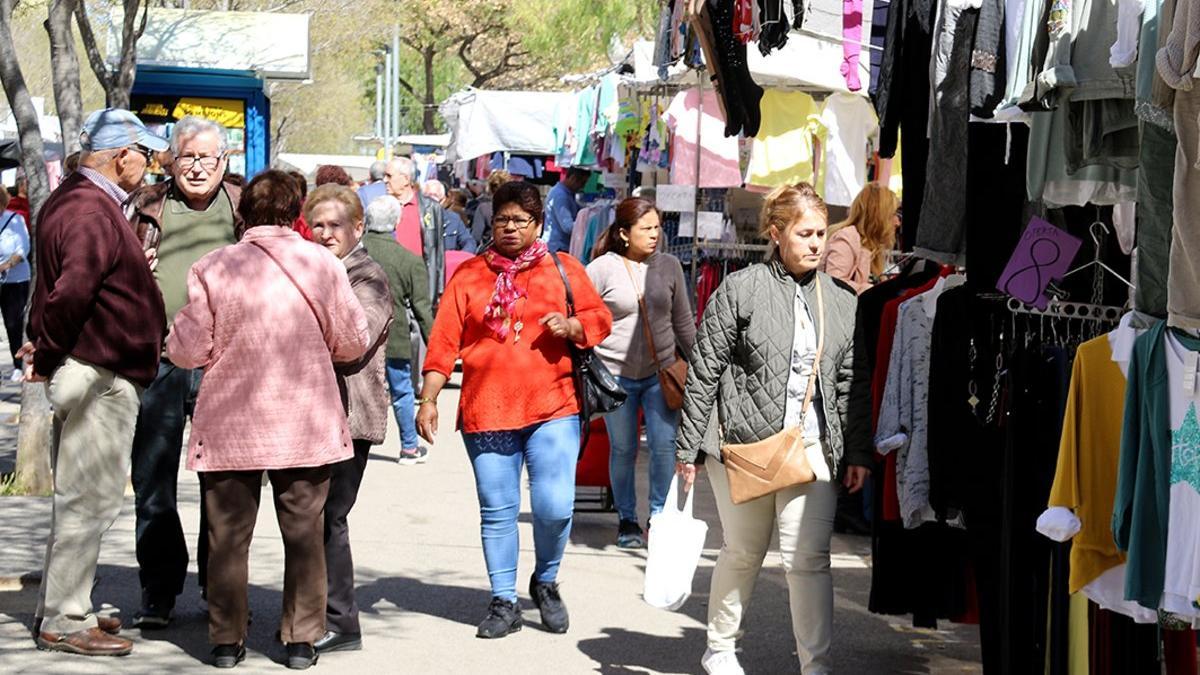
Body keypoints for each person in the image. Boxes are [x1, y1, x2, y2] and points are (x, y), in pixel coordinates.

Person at [166, 170, 369, 670]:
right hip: (305, 419)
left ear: (242, 213)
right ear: (296, 212)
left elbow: (188, 351)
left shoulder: (212, 267)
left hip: (231, 422)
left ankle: (226, 641)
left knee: (228, 536)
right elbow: (352, 340)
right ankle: (301, 640)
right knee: (304, 532)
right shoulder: (323, 264)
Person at [676, 183, 872, 675]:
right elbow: (705, 367)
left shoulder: (842, 300)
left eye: (821, 234)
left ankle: (816, 664)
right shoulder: (742, 288)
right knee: (743, 551)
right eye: (804, 233)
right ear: (775, 232)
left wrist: (858, 453)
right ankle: (720, 647)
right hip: (743, 446)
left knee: (808, 559)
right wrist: (688, 449)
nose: (815, 244)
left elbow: (854, 380)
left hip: (813, 448)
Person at [417, 181, 612, 639]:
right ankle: (503, 600)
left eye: (520, 221)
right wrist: (427, 399)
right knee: (497, 509)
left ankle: (545, 580)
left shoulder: (561, 268)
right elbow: (444, 343)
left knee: (555, 506)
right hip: (486, 410)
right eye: (502, 219)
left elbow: (599, 318)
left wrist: (572, 325)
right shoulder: (468, 275)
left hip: (554, 405)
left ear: (538, 223)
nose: (509, 228)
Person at [25, 108, 168, 657]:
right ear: (121, 155)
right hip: (98, 375)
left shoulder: (80, 201)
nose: (149, 164)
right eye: (145, 154)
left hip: (93, 368)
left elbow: (74, 286)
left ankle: (66, 603)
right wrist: (52, 350)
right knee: (89, 500)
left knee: (81, 499)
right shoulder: (90, 209)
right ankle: (65, 616)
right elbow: (71, 293)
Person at [126, 115, 242, 629]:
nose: (197, 167)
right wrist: (134, 267)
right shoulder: (146, 207)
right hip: (162, 360)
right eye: (187, 157)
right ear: (170, 160)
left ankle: (218, 588)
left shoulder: (244, 206)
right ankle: (159, 587)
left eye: (207, 158)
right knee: (154, 480)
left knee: (225, 483)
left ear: (225, 162)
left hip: (225, 365)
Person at [305, 185, 394, 654]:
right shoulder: (313, 269)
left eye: (334, 225)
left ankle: (342, 622)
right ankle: (313, 613)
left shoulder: (368, 275)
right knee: (311, 519)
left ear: (358, 228)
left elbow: (353, 339)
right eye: (316, 224)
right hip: (308, 414)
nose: (324, 234)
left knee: (330, 518)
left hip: (350, 415)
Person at [586, 198, 695, 548]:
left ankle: (659, 516)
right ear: (623, 233)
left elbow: (683, 322)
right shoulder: (602, 268)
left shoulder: (670, 266)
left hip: (660, 371)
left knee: (664, 447)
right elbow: (584, 318)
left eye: (657, 228)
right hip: (614, 373)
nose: (654, 235)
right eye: (645, 228)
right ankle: (628, 519)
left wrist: (702, 366)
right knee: (624, 449)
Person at [361, 196, 435, 464]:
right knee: (402, 390)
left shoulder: (354, 253)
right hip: (394, 335)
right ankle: (409, 447)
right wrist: (437, 347)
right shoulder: (409, 260)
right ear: (396, 222)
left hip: (355, 336)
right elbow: (422, 309)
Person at [819, 182, 900, 294]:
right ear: (878, 216)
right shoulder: (846, 239)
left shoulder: (869, 243)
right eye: (893, 214)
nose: (897, 222)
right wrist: (873, 290)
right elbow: (834, 284)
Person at [384, 157, 444, 302]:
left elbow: (438, 250)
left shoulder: (430, 208)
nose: (385, 180)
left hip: (420, 284)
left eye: (389, 176)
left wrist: (439, 290)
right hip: (391, 285)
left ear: (405, 179)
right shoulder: (382, 207)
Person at [0, 189, 31, 382]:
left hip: (15, 280)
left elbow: (23, 247)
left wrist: (7, 264)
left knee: (14, 324)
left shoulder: (15, 220)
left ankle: (18, 364)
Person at [421, 180, 477, 252]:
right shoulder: (415, 218)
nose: (432, 200)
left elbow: (469, 242)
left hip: (447, 261)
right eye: (428, 196)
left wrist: (458, 259)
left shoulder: (453, 219)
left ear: (443, 199)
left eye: (435, 195)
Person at [544, 167, 590, 253]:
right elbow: (568, 227)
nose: (582, 186)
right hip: (558, 248)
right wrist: (587, 227)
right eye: (582, 183)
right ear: (572, 178)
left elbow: (579, 210)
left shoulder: (567, 194)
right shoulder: (561, 196)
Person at [471, 170, 513, 253]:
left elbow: (476, 236)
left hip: (491, 254)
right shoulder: (517, 207)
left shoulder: (484, 208)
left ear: (490, 188)